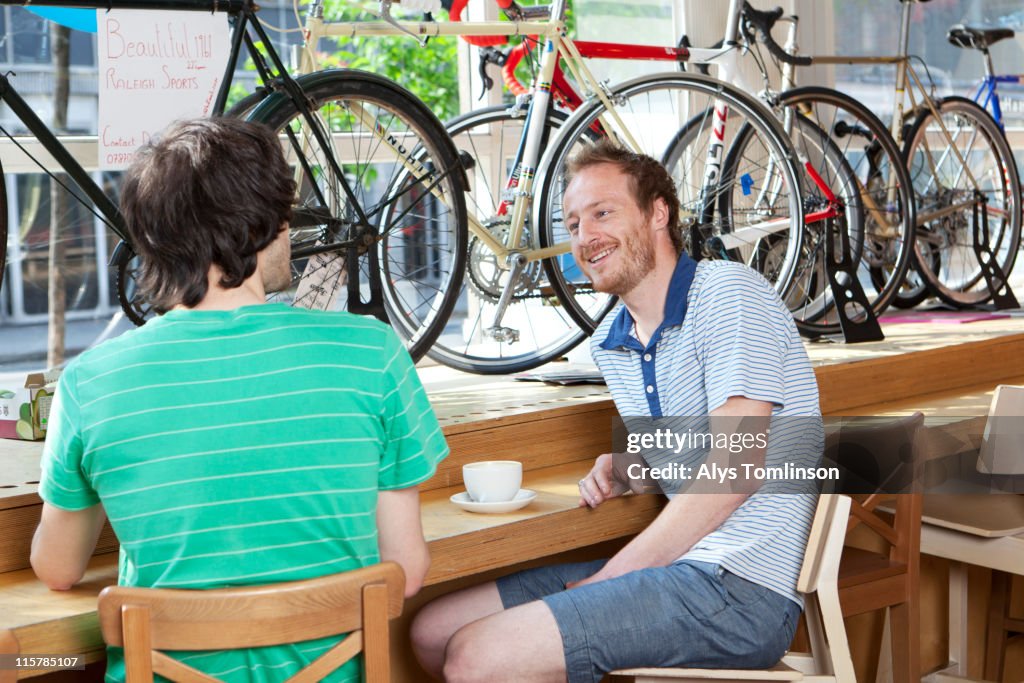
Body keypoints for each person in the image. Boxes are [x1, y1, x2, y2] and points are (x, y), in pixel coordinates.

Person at [31, 118, 447, 682]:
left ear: (150, 241)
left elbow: (57, 569)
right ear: (268, 225)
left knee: (22, 662)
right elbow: (407, 569)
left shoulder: (90, 382)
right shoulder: (372, 354)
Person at [410, 140, 821, 683]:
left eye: (603, 213)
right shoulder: (612, 341)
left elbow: (736, 471)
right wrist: (634, 469)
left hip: (741, 588)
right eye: (574, 223)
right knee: (432, 632)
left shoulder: (727, 293)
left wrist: (617, 572)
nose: (585, 236)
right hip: (681, 568)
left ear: (658, 212)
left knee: (476, 657)